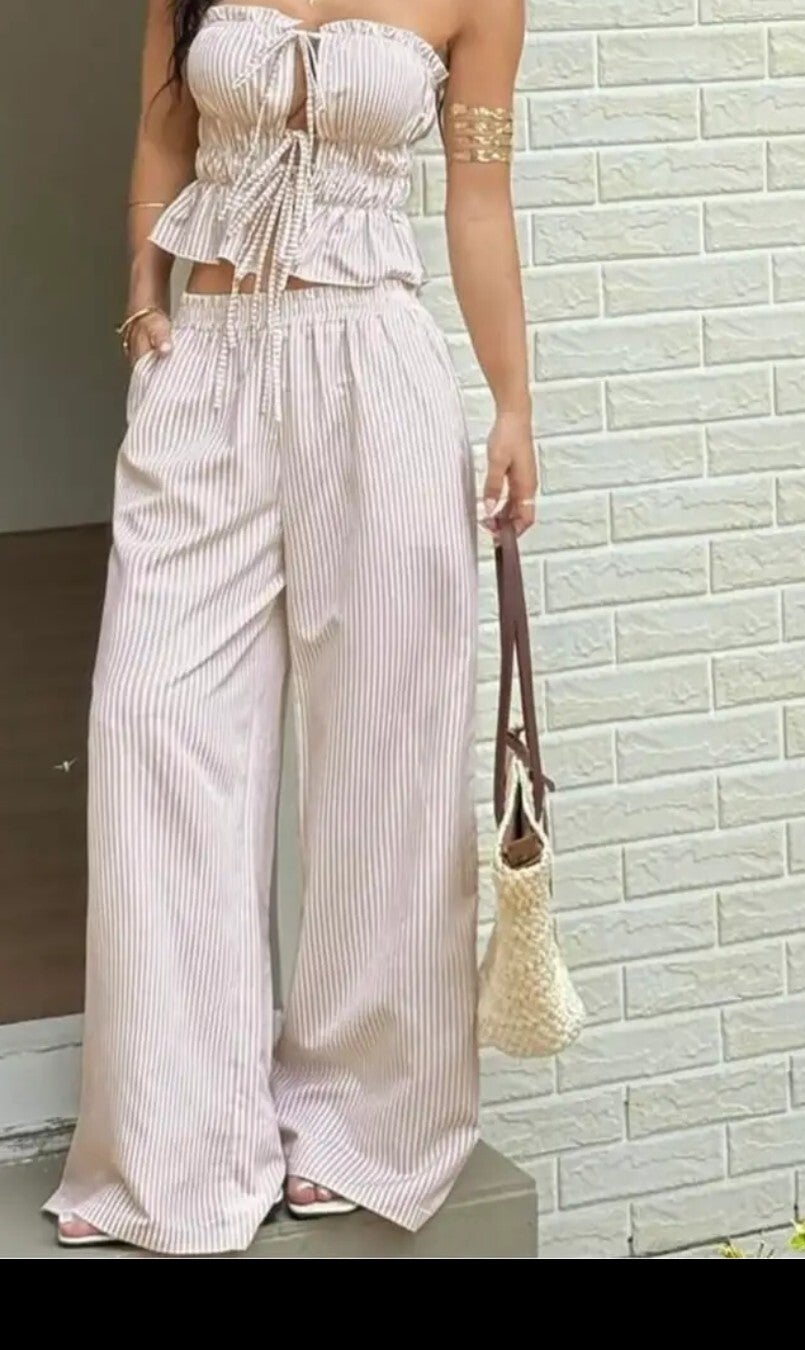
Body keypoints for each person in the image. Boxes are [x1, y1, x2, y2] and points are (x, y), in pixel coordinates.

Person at [46, 0, 536, 1255]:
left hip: (373, 367)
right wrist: (142, 297)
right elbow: (162, 137)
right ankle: (173, 1140)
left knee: (385, 754)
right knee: (151, 723)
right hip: (209, 367)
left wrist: (512, 403)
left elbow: (479, 199)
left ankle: (368, 1122)